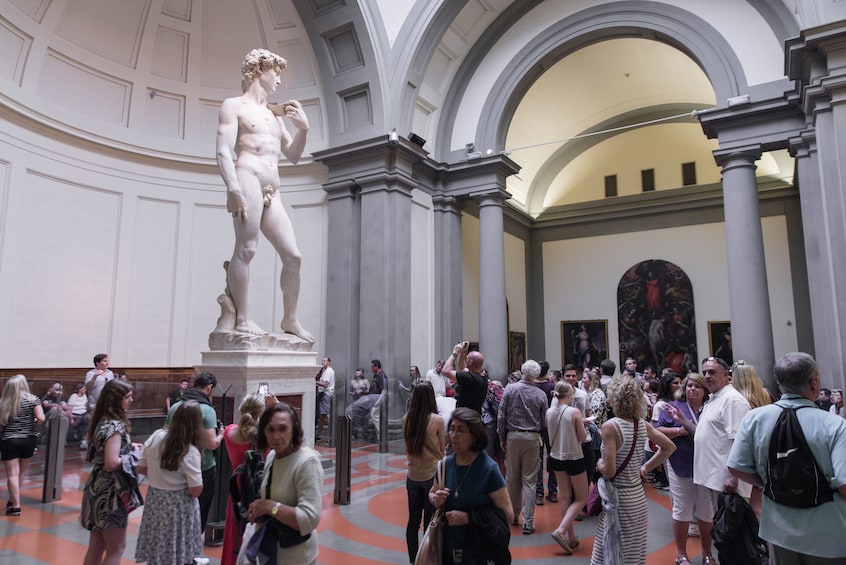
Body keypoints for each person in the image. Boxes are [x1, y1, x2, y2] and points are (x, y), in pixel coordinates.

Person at [215, 48, 312, 342]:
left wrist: (304, 129)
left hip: (274, 188)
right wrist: (233, 188)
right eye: (276, 73)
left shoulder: (274, 116)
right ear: (259, 70)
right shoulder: (234, 106)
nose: (279, 81)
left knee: (293, 256)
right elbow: (222, 150)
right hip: (248, 178)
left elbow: (293, 155)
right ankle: (242, 318)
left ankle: (290, 318)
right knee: (247, 249)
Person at [727, 352, 846, 563]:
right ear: (814, 382)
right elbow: (844, 484)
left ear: (780, 382)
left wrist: (768, 482)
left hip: (778, 529)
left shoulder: (754, 419)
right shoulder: (834, 425)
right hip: (828, 533)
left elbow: (736, 467)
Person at [590, 376, 675, 565]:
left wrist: (599, 464)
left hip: (617, 497)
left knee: (609, 549)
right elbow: (669, 447)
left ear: (615, 398)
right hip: (637, 496)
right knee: (632, 552)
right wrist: (645, 467)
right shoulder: (641, 425)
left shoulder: (610, 427)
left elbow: (609, 471)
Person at [430, 408, 513, 564]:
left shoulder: (488, 469)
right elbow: (432, 493)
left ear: (475, 436)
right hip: (448, 550)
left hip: (479, 551)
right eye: (452, 429)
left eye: (461, 431)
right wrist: (435, 499)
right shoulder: (444, 465)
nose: (454, 435)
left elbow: (507, 514)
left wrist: (469, 518)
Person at [245, 402, 324, 565]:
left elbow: (309, 519)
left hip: (297, 557)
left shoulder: (307, 462)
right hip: (270, 552)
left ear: (294, 429)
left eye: (282, 429)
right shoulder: (272, 456)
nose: (276, 436)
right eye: (270, 429)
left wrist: (268, 507)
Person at [692, 356, 750, 565]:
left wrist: (732, 477)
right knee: (715, 524)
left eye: (712, 372)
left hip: (724, 479)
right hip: (709, 476)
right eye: (704, 372)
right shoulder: (714, 398)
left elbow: (740, 441)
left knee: (733, 532)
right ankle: (715, 558)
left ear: (726, 375)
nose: (707, 376)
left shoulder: (732, 400)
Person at [134, 401, 205, 565]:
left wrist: (160, 475)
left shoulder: (157, 435)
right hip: (178, 505)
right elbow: (195, 490)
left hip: (156, 500)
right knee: (176, 545)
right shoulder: (190, 450)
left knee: (157, 543)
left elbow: (141, 468)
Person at [80, 378, 137, 565]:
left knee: (97, 546)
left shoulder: (101, 421)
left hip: (96, 486)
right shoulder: (115, 425)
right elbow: (111, 462)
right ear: (116, 400)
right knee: (117, 548)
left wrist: (128, 448)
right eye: (128, 397)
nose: (131, 400)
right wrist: (135, 457)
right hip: (111, 491)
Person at [655, 373, 709, 565]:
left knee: (706, 511)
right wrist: (678, 431)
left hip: (706, 465)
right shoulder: (675, 407)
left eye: (697, 386)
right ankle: (681, 554)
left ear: (705, 390)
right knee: (682, 509)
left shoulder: (710, 409)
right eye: (689, 386)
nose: (692, 389)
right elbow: (657, 431)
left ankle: (707, 553)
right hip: (680, 465)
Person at [165, 372, 223, 534]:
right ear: (210, 388)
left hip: (175, 465)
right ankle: (192, 551)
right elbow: (211, 444)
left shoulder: (176, 406)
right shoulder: (207, 410)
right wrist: (221, 435)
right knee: (200, 511)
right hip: (202, 467)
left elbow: (165, 434)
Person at [496, 359, 548, 535]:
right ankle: (528, 521)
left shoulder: (510, 388)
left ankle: (513, 515)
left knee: (512, 478)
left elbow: (501, 414)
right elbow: (544, 421)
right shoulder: (540, 394)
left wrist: (501, 436)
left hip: (513, 436)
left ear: (522, 371)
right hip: (533, 437)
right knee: (530, 480)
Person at [402, 382, 445, 564]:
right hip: (431, 476)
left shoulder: (406, 419)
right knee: (430, 521)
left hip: (412, 475)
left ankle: (413, 559)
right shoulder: (437, 420)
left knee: (413, 521)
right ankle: (426, 558)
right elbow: (442, 450)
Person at [221, 394, 266, 565]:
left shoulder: (228, 433)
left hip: (237, 492)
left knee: (234, 537)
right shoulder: (263, 439)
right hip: (257, 493)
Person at [547, 381, 588, 555]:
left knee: (565, 497)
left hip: (556, 456)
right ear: (570, 395)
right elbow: (582, 437)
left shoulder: (549, 412)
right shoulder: (574, 412)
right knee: (581, 498)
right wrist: (584, 426)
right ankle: (561, 530)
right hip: (574, 457)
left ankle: (571, 538)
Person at [730, 360, 773, 518]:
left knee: (748, 499)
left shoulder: (738, 399)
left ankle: (754, 535)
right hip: (765, 445)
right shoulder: (765, 393)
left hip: (748, 449)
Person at [0, 374, 46, 516]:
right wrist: (30, 423)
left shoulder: (4, 401)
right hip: (28, 438)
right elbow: (41, 418)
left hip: (9, 439)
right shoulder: (33, 399)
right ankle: (13, 500)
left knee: (12, 474)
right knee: (21, 472)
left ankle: (16, 505)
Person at [533, 361, 558, 505]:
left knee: (538, 461)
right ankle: (553, 491)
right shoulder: (552, 387)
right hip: (551, 427)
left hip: (536, 427)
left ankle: (539, 493)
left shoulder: (532, 387)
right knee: (553, 457)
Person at [443, 341, 487, 414]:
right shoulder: (482, 376)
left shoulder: (470, 378)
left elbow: (445, 371)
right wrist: (462, 352)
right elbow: (462, 368)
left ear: (470, 362)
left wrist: (455, 353)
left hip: (465, 417)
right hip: (474, 415)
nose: (466, 360)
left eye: (467, 359)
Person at [316, 357, 335, 440]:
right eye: (322, 361)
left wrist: (315, 382)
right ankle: (318, 434)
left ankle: (332, 435)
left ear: (329, 362)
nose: (322, 362)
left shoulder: (328, 371)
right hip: (324, 395)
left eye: (324, 361)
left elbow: (325, 384)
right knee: (322, 416)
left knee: (327, 415)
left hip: (325, 394)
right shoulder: (327, 371)